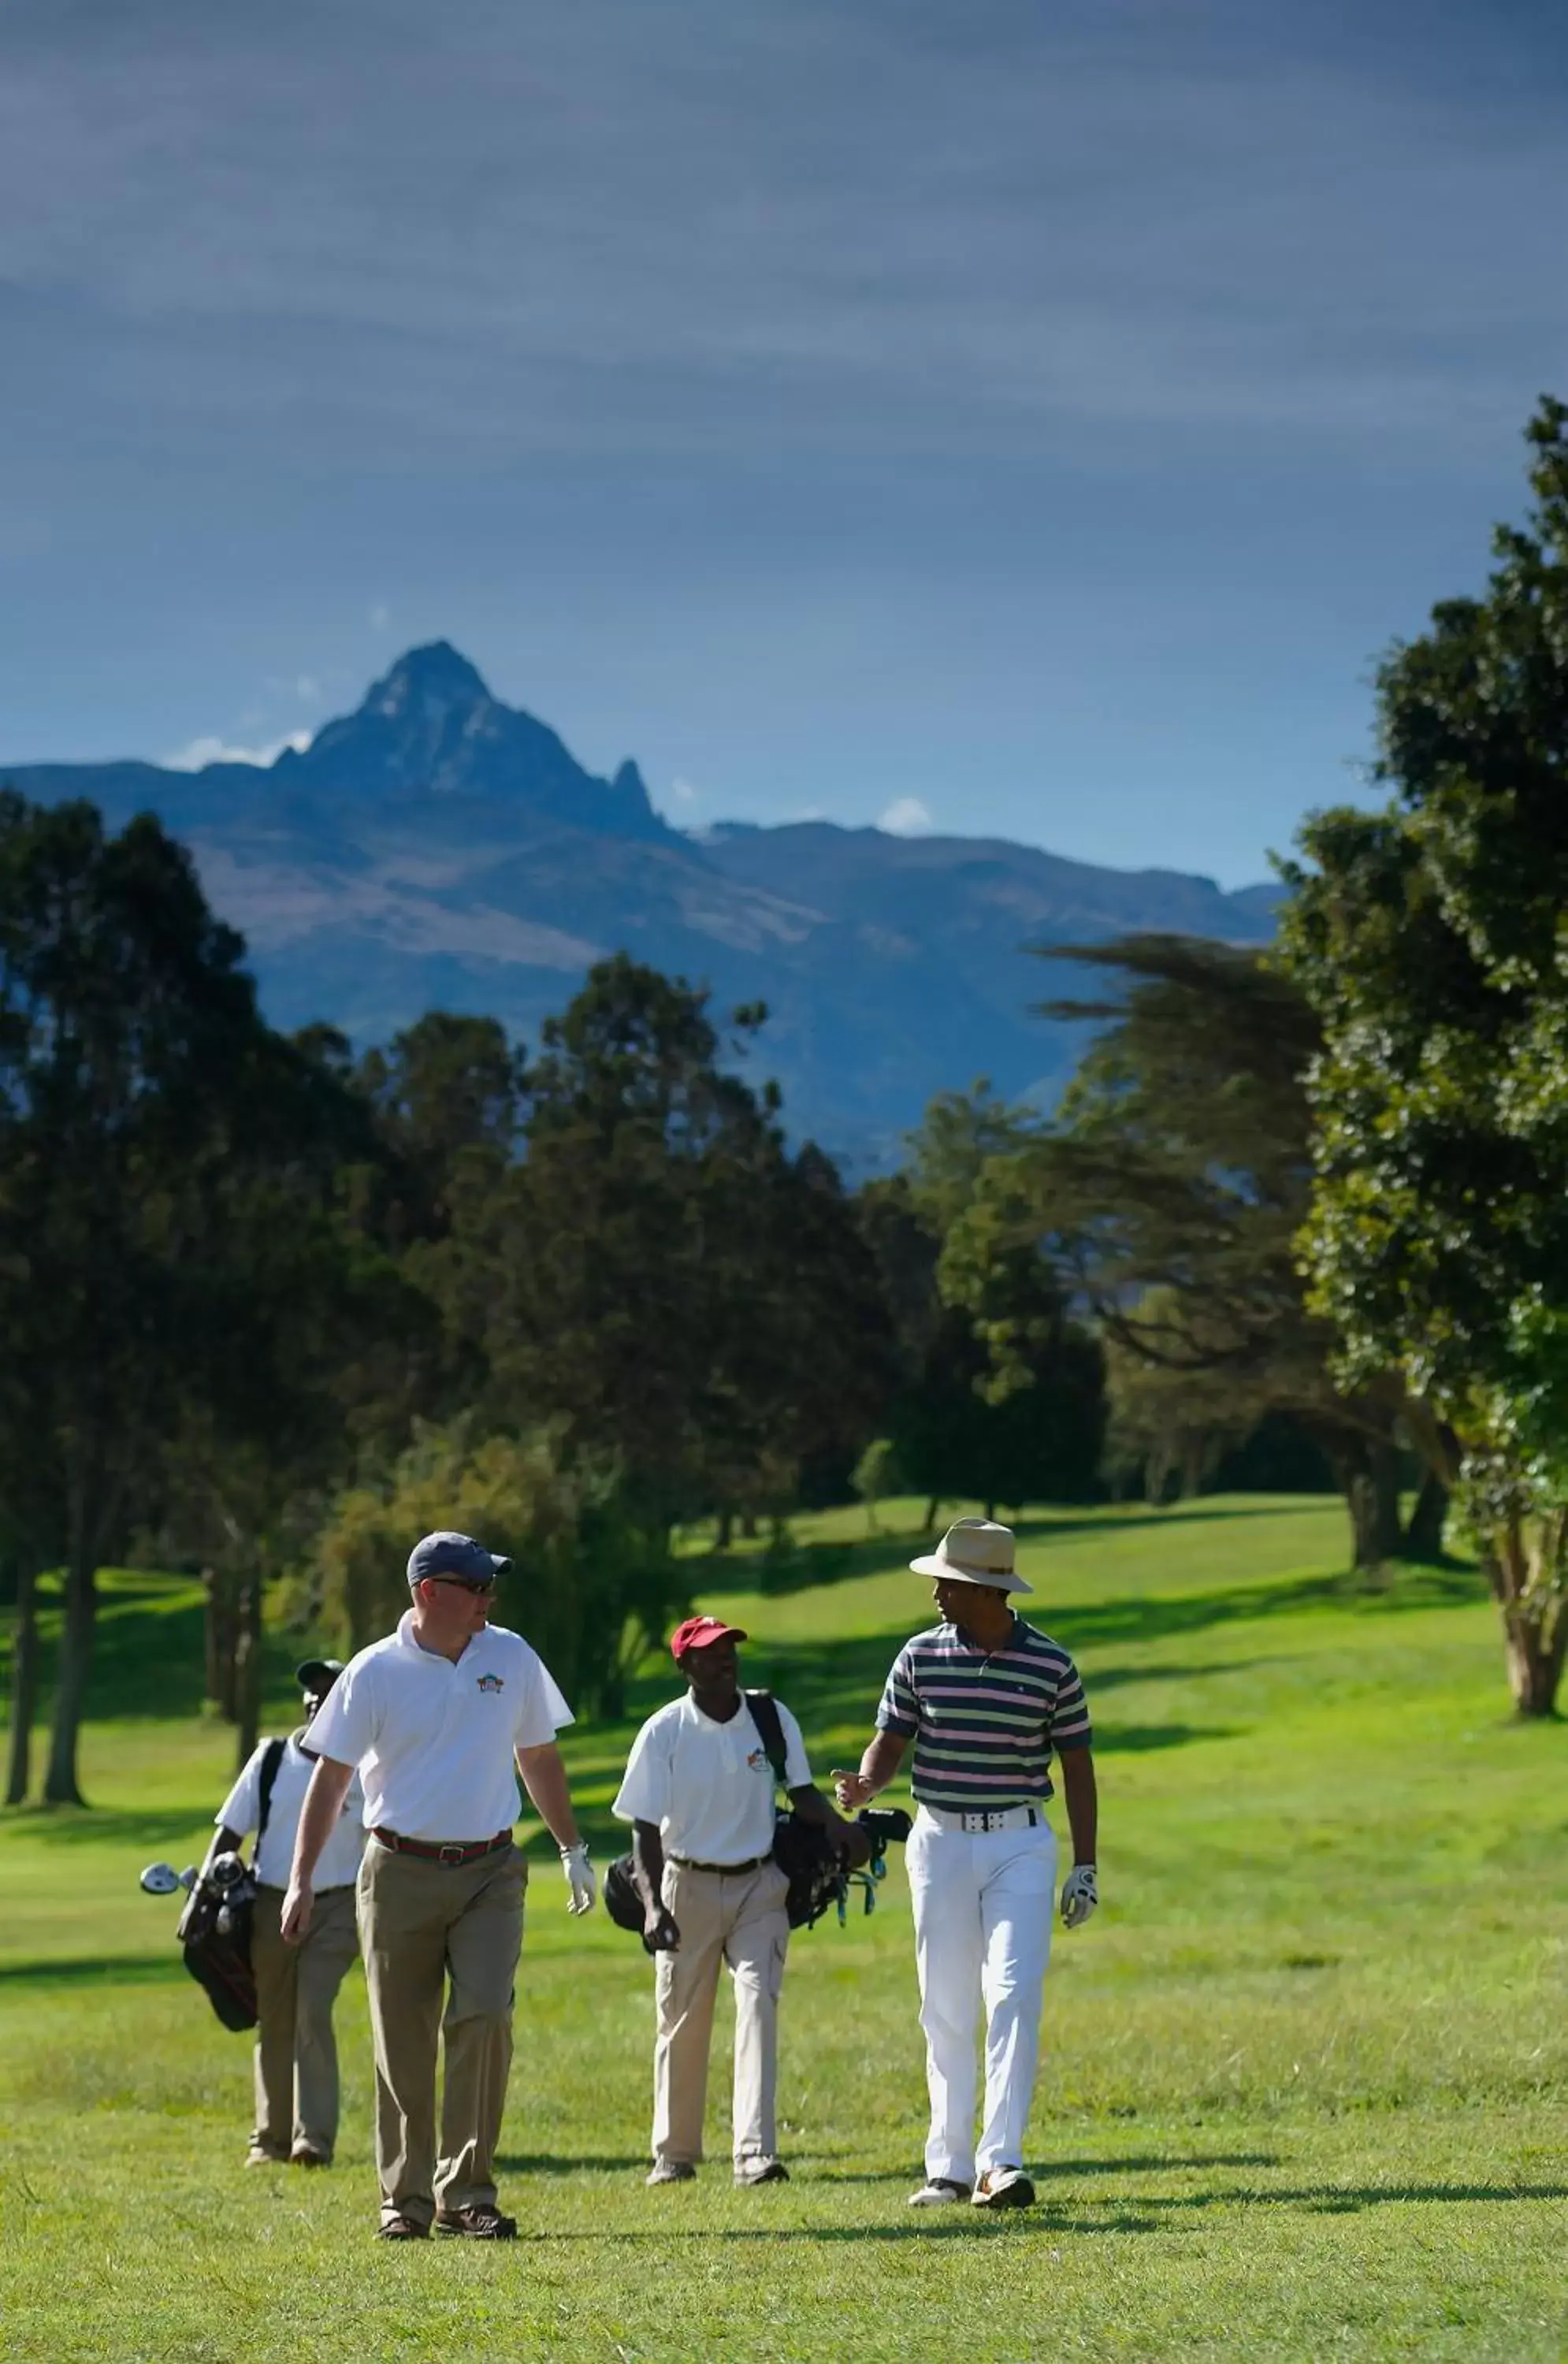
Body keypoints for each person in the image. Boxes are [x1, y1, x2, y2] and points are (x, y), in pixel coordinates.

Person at [281, 1530, 597, 2241]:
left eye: (492, 1586)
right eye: (477, 1586)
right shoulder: (372, 1672)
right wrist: (301, 1881)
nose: (490, 1598)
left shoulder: (510, 1655)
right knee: (403, 2039)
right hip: (397, 1873)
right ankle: (406, 2202)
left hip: (491, 1869)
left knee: (485, 2016)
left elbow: (537, 1754)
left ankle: (468, 2193)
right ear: (430, 1593)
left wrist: (571, 1845)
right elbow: (330, 1779)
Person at [834, 1518, 1098, 2211]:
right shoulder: (920, 1656)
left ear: (987, 1591)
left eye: (947, 1585)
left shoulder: (1052, 1665)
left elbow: (1078, 1769)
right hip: (941, 1841)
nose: (936, 1596)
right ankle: (947, 2168)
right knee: (945, 2005)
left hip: (1020, 1844)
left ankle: (999, 2163)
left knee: (1012, 1994)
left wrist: (1086, 1865)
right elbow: (890, 1742)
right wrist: (866, 1785)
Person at [613, 1614, 866, 2189]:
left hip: (759, 1884)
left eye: (729, 1649)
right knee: (681, 2022)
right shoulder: (664, 1731)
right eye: (708, 1652)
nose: (724, 1660)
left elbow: (801, 1793)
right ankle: (674, 2156)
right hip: (686, 1885)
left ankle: (755, 2155)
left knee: (759, 2007)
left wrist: (841, 1830)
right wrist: (654, 1906)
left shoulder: (770, 1719)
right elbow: (644, 1831)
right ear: (685, 1666)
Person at [208, 1657, 366, 2169]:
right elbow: (231, 1831)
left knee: (312, 2010)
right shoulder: (272, 1758)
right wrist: (208, 1889)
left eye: (330, 1691)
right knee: (274, 2017)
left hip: (340, 1903)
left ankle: (312, 2139)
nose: (318, 1700)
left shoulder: (369, 1765)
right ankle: (269, 2140)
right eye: (311, 1693)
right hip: (273, 1902)